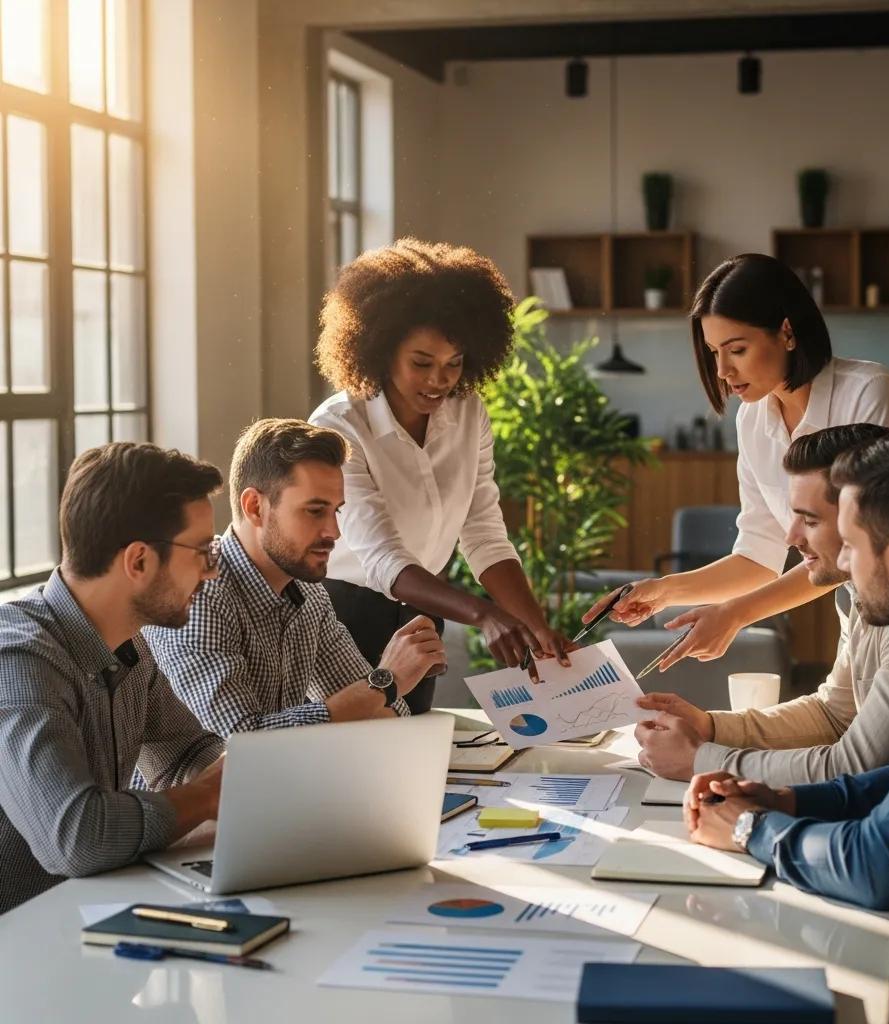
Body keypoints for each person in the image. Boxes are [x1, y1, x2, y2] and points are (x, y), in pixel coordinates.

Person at [685, 430, 889, 1023]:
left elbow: (879, 866)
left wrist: (750, 831)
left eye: (852, 546)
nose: (840, 561)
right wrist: (787, 799)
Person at [583, 253, 889, 668]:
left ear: (787, 332)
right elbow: (759, 557)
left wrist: (737, 614)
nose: (722, 369)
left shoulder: (869, 394)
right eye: (713, 352)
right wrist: (662, 592)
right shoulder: (753, 419)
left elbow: (861, 547)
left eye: (736, 349)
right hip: (858, 619)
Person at [310, 237, 572, 713]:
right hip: (341, 616)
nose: (440, 380)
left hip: (423, 613)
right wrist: (484, 614)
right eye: (421, 363)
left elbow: (484, 532)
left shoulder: (469, 414)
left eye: (454, 364)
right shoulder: (339, 427)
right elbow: (382, 557)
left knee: (416, 754)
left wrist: (534, 624)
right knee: (351, 761)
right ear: (380, 350)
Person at [0, 443, 226, 914]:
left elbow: (186, 753)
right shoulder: (18, 661)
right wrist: (205, 796)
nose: (211, 571)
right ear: (139, 561)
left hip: (87, 921)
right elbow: (78, 836)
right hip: (20, 954)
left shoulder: (128, 645)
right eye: (203, 552)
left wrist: (266, 772)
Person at [635, 423, 889, 786]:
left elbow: (856, 764)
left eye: (810, 520)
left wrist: (699, 759)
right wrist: (711, 727)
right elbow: (833, 715)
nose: (792, 537)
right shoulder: (854, 593)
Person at [146, 418, 444, 734]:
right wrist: (387, 680)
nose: (334, 532)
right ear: (254, 507)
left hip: (279, 780)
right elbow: (244, 742)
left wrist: (392, 681)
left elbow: (377, 714)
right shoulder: (199, 594)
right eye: (315, 511)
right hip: (195, 784)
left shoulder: (308, 593)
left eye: (336, 511)